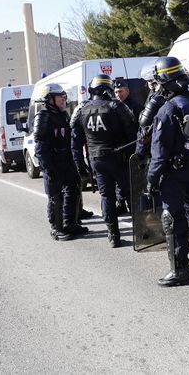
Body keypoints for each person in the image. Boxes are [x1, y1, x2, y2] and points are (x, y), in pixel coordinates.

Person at [145, 56, 189, 286]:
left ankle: (180, 269)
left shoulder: (167, 109)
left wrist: (151, 179)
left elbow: (159, 152)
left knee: (172, 219)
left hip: (172, 173)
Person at [71, 74, 138, 248]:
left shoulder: (81, 109)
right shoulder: (116, 106)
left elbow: (75, 143)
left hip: (96, 160)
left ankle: (113, 236)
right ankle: (140, 232)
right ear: (107, 88)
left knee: (106, 196)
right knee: (130, 194)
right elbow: (132, 133)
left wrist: (80, 166)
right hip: (119, 158)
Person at [33, 83, 88, 241]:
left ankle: (70, 223)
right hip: (53, 162)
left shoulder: (63, 115)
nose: (64, 100)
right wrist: (49, 169)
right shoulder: (43, 117)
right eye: (61, 97)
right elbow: (40, 148)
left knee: (73, 190)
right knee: (55, 196)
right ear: (50, 99)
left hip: (66, 160)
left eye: (65, 97)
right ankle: (56, 228)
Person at [113, 78, 143, 215]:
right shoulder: (112, 107)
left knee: (132, 179)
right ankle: (121, 202)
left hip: (132, 147)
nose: (119, 94)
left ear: (128, 91)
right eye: (116, 92)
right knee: (120, 179)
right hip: (119, 149)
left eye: (121, 91)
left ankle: (133, 205)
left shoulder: (136, 107)